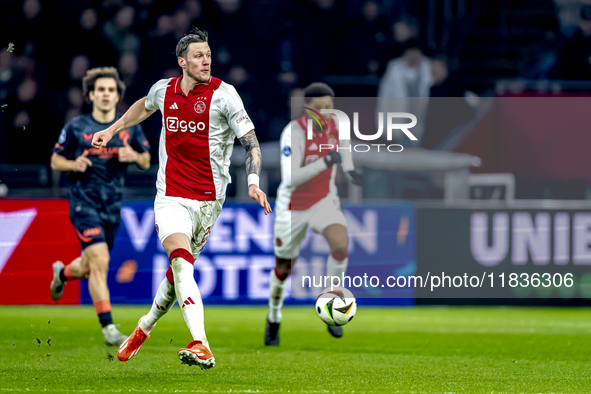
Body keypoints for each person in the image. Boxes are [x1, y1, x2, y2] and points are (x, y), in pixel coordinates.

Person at [90, 28, 271, 370]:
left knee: (177, 277)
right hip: (171, 195)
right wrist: (111, 130)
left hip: (209, 201)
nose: (206, 61)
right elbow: (142, 108)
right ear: (182, 62)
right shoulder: (165, 90)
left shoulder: (225, 95)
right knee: (179, 259)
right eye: (199, 56)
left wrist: (253, 181)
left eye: (209, 55)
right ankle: (201, 343)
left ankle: (144, 327)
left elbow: (251, 142)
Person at [49, 67, 151, 346]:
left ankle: (63, 273)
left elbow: (146, 160)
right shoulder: (76, 127)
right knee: (101, 262)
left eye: (111, 90)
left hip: (113, 205)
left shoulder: (129, 127)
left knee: (89, 266)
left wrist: (135, 156)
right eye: (101, 90)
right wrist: (73, 163)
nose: (106, 94)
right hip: (84, 202)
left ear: (118, 96)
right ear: (91, 95)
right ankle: (108, 328)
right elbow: (55, 160)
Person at [265, 82, 362, 346]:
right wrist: (326, 161)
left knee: (341, 243)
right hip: (292, 206)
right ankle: (274, 318)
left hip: (324, 200)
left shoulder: (337, 126)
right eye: (320, 108)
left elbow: (344, 148)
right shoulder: (293, 132)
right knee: (284, 268)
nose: (326, 112)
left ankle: (334, 302)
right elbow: (291, 177)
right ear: (308, 109)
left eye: (330, 107)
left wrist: (350, 168)